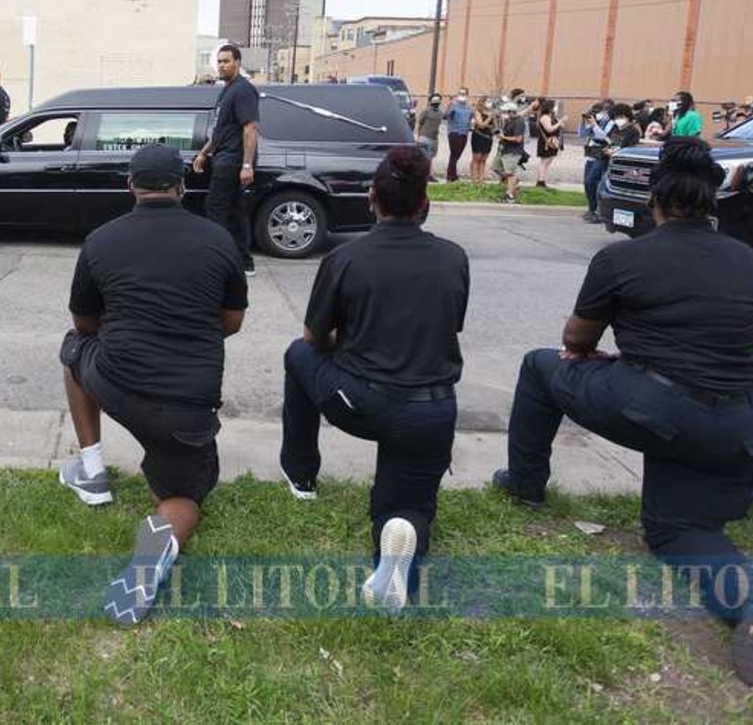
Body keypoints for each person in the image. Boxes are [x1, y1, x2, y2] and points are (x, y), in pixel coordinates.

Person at [493, 138, 753, 691]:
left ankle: (525, 484)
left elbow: (576, 340)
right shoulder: (748, 260)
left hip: (659, 408)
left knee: (539, 367)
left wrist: (601, 356)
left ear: (654, 199)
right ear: (710, 201)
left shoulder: (622, 258)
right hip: (739, 424)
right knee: (679, 529)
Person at [56, 144, 247, 626]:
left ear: (131, 186)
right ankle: (159, 544)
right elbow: (232, 322)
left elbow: (83, 324)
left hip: (117, 381)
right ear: (181, 185)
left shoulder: (101, 240)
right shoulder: (218, 239)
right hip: (188, 406)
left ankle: (92, 470)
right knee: (181, 500)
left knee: (74, 350)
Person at [279, 146, 468, 612]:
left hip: (360, 402)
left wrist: (349, 341)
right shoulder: (453, 257)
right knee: (407, 507)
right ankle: (399, 542)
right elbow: (449, 324)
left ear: (371, 199)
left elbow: (313, 337)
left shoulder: (346, 257)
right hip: (430, 410)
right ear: (424, 204)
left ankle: (301, 474)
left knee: (297, 354)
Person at [192, 43, 259, 276]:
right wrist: (204, 153)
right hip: (224, 157)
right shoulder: (227, 90)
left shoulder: (243, 90)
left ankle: (218, 260)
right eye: (219, 61)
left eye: (226, 61)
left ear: (237, 63)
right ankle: (243, 262)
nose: (221, 65)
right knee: (235, 212)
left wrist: (247, 165)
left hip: (233, 160)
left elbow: (250, 129)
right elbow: (220, 131)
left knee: (216, 208)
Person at [580, 101, 614, 223]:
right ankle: (591, 209)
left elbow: (605, 137)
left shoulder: (611, 122)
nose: (599, 113)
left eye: (602, 110)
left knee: (593, 181)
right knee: (587, 183)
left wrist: (594, 125)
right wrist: (584, 122)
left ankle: (597, 211)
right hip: (591, 154)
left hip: (601, 155)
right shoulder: (596, 120)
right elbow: (583, 134)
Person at [490, 100, 526, 204]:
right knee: (495, 167)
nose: (504, 114)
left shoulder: (519, 122)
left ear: (511, 111)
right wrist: (500, 134)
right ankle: (513, 183)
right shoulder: (509, 121)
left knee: (510, 173)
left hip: (513, 151)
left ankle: (510, 196)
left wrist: (504, 137)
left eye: (506, 112)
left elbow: (518, 139)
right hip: (504, 150)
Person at [444, 88, 474, 182]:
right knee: (454, 154)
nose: (462, 95)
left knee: (458, 154)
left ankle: (453, 174)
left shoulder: (469, 108)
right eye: (460, 93)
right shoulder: (454, 105)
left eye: (464, 93)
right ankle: (450, 176)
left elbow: (472, 118)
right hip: (454, 132)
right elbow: (446, 116)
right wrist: (449, 106)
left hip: (464, 133)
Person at [533, 99, 563, 189]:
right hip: (546, 142)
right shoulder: (545, 117)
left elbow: (557, 126)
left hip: (551, 141)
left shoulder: (551, 116)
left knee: (547, 161)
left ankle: (543, 180)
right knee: (544, 161)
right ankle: (541, 180)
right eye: (554, 107)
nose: (555, 108)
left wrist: (559, 123)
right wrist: (559, 123)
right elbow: (549, 129)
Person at [469, 98, 495, 184]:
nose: (489, 103)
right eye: (487, 101)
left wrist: (493, 119)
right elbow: (481, 125)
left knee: (484, 159)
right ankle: (475, 179)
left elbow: (494, 126)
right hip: (479, 137)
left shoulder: (491, 112)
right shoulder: (478, 112)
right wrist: (489, 118)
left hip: (488, 138)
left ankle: (481, 179)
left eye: (489, 101)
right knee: (477, 158)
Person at [415, 93, 444, 166]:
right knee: (423, 157)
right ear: (430, 101)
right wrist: (417, 136)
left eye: (438, 100)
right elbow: (419, 123)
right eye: (434, 100)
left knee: (430, 158)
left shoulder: (440, 113)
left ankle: (428, 172)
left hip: (434, 139)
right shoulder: (426, 111)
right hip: (424, 137)